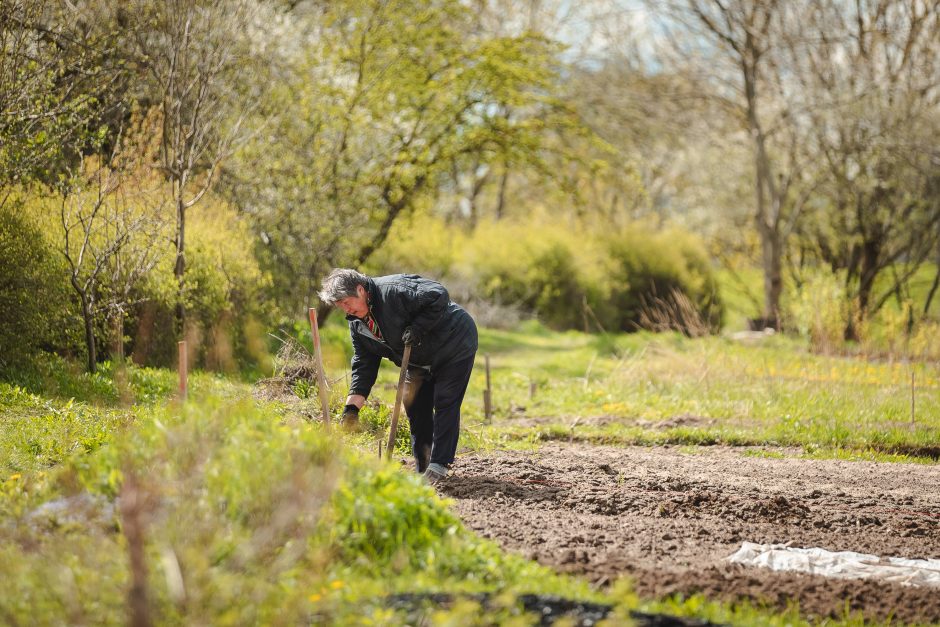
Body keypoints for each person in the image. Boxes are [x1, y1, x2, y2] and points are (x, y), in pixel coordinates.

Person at [318, 269, 478, 483]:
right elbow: (364, 364)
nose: (346, 309)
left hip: (454, 343)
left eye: (347, 302)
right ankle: (424, 466)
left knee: (445, 399)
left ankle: (439, 465)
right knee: (414, 403)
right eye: (340, 306)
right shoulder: (357, 323)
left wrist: (418, 328)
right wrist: (351, 408)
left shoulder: (394, 290)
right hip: (418, 359)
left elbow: (438, 294)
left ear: (360, 290)